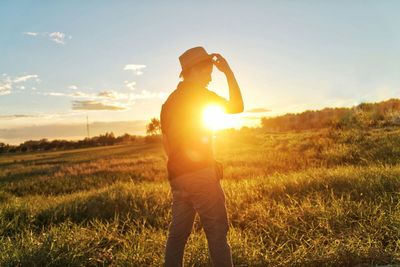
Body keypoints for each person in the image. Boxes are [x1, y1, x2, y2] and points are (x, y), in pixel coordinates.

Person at [160, 46, 244, 267]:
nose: (210, 76)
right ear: (195, 70)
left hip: (177, 178)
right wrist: (228, 72)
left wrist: (184, 167)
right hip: (201, 176)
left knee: (177, 236)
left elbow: (167, 143)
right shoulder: (200, 94)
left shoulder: (168, 103)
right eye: (208, 70)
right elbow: (237, 106)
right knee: (217, 235)